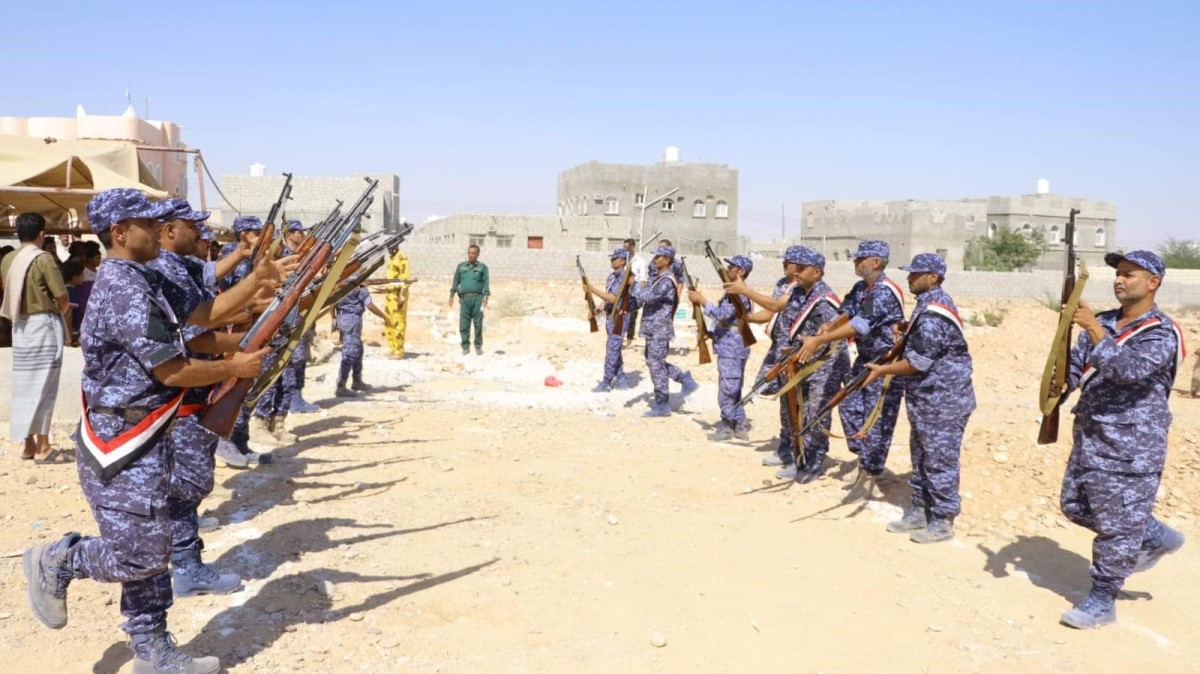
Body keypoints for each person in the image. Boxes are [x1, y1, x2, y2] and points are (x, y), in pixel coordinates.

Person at [22, 187, 271, 674]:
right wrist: (235, 368)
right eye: (148, 224)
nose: (160, 230)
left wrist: (260, 285)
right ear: (119, 233)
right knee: (140, 554)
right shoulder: (122, 287)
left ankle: (153, 652)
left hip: (147, 431)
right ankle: (61, 559)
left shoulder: (144, 276)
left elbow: (202, 316)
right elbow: (173, 370)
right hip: (122, 441)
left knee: (153, 549)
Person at [1050, 250, 1186, 629]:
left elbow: (1128, 370)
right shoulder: (1108, 321)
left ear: (1153, 282)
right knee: (1075, 505)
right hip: (1091, 434)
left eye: (1129, 274)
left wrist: (1094, 328)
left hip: (1131, 446)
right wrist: (1059, 386)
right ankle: (1153, 533)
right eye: (1117, 274)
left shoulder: (1160, 331)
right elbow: (1079, 365)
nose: (1119, 280)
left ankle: (1102, 599)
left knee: (1116, 525)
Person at [147, 197, 249, 596]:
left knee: (188, 483)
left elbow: (211, 292)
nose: (201, 233)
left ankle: (185, 556)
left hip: (192, 388)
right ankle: (186, 566)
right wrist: (243, 348)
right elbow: (198, 332)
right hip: (182, 390)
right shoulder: (165, 269)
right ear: (170, 230)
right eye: (192, 226)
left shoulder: (181, 265)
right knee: (187, 482)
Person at [860, 254, 974, 543]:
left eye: (915, 275)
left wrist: (883, 369)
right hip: (926, 398)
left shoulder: (935, 311)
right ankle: (921, 510)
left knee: (939, 460)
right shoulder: (927, 305)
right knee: (921, 456)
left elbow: (918, 362)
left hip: (943, 400)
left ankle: (943, 518)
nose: (909, 279)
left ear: (932, 278)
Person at [795, 240, 906, 493]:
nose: (855, 263)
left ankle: (870, 474)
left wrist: (820, 340)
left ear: (875, 262)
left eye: (860, 259)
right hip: (865, 360)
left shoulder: (885, 291)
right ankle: (864, 458)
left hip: (885, 364)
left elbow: (860, 325)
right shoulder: (861, 287)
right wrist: (831, 325)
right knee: (847, 405)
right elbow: (848, 311)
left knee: (874, 419)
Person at [1, 213, 72, 463]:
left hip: (20, 327)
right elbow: (62, 298)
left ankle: (28, 444)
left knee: (23, 386)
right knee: (45, 385)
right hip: (43, 325)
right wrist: (62, 314)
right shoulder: (43, 259)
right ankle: (43, 447)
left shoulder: (8, 258)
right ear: (41, 234)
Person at [688, 255, 754, 441]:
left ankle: (727, 427)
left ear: (741, 271)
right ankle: (739, 426)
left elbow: (723, 315)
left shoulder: (739, 294)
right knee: (734, 388)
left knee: (727, 389)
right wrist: (711, 333)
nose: (728, 269)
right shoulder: (734, 292)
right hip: (731, 345)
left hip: (731, 348)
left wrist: (702, 300)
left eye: (732, 267)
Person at [632, 244, 698, 417]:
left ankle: (662, 404)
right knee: (653, 361)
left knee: (655, 363)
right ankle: (684, 379)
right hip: (652, 328)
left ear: (667, 260)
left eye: (657, 257)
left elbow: (649, 297)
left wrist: (635, 285)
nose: (654, 260)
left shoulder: (667, 280)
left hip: (659, 329)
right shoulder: (658, 279)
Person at [585, 247, 634, 392]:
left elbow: (613, 299)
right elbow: (607, 298)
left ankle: (606, 381)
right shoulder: (612, 277)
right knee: (615, 347)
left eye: (615, 258)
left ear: (623, 261)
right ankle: (621, 378)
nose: (611, 261)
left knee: (612, 348)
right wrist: (596, 311)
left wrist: (592, 289)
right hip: (610, 316)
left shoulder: (626, 278)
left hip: (620, 317)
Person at [334, 284, 389, 397]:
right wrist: (384, 316)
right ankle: (341, 385)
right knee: (351, 351)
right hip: (352, 318)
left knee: (358, 348)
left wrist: (334, 318)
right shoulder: (358, 283)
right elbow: (369, 305)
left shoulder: (340, 280)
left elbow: (332, 302)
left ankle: (357, 381)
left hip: (343, 317)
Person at [449, 244, 489, 355]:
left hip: (478, 299)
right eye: (469, 253)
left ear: (478, 254)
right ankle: (465, 346)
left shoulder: (482, 267)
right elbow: (456, 281)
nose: (471, 255)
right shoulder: (461, 266)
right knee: (464, 324)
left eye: (473, 253)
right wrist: (452, 294)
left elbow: (486, 282)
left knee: (478, 324)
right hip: (465, 299)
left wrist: (486, 296)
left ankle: (478, 346)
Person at [621, 238, 646, 345]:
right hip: (623, 291)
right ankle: (620, 338)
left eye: (627, 248)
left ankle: (629, 340)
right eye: (624, 248)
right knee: (621, 315)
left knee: (632, 317)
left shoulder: (640, 261)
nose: (625, 250)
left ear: (632, 247)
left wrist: (639, 294)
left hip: (635, 292)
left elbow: (643, 280)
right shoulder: (623, 260)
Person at [61, 261, 86, 344]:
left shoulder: (66, 290)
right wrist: (69, 335)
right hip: (72, 330)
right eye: (82, 275)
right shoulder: (71, 292)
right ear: (74, 277)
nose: (84, 278)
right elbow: (69, 314)